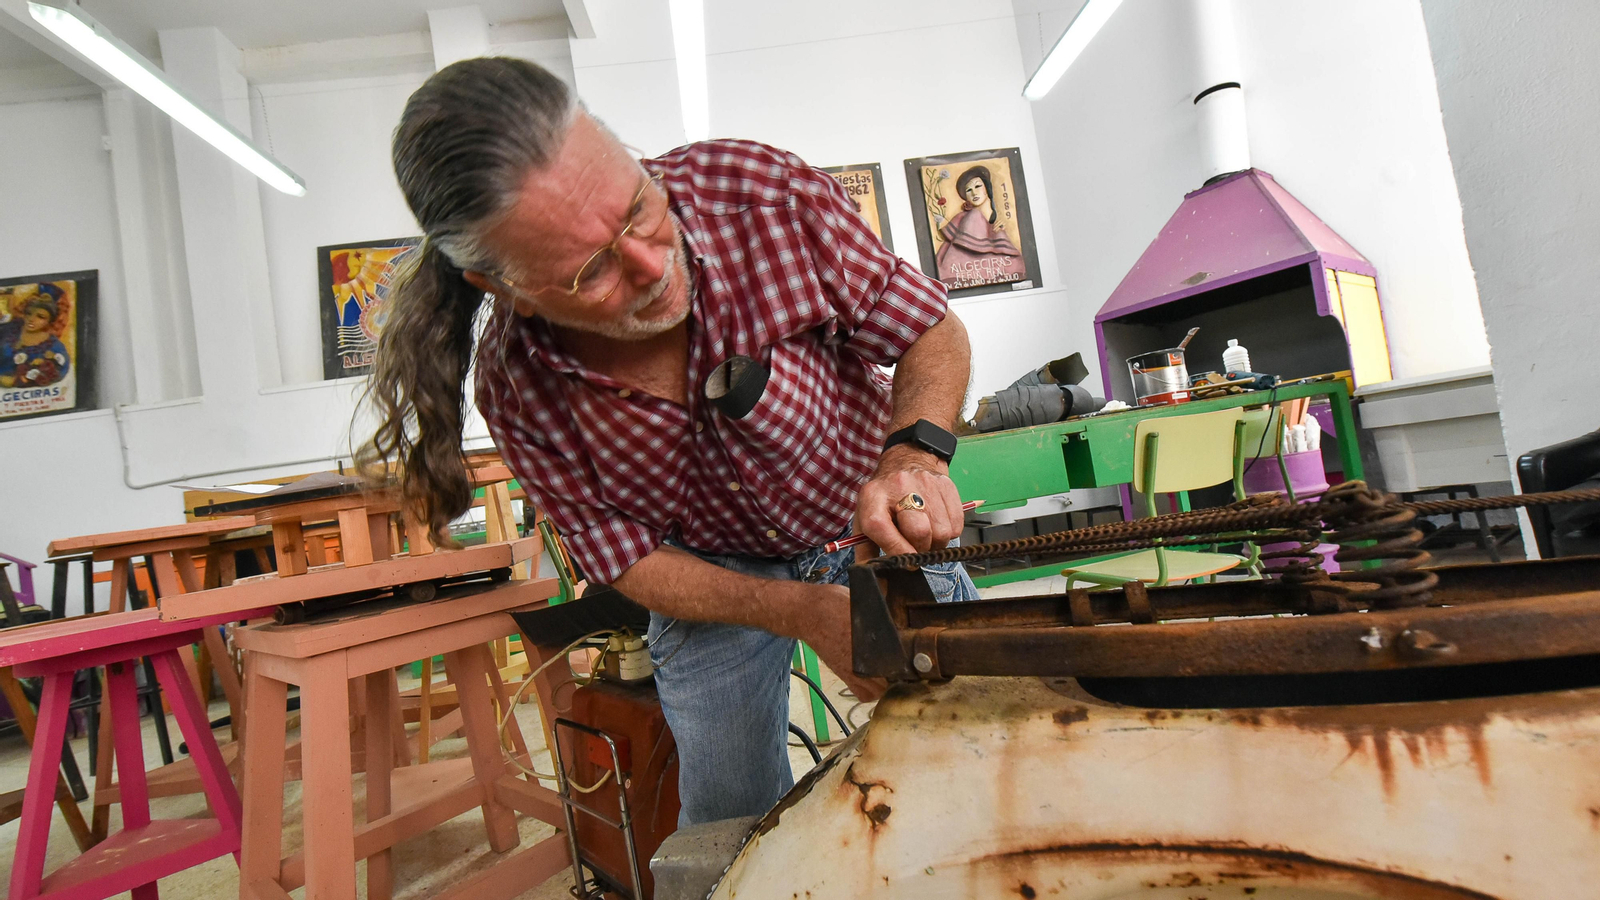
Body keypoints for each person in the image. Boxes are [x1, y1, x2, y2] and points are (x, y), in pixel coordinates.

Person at [360, 57, 978, 826]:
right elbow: (625, 559)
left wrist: (911, 459)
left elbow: (927, 327)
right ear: (502, 286)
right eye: (591, 272)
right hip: (711, 575)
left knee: (977, 750)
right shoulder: (519, 387)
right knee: (725, 821)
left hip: (876, 522)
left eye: (638, 210)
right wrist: (800, 609)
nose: (653, 268)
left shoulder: (759, 193)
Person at [934, 165, 1027, 289]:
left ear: (987, 189)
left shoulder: (997, 224)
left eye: (977, 186)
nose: (974, 193)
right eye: (968, 190)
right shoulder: (969, 218)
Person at [0, 286, 71, 388]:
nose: (32, 319)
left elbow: (60, 371)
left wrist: (17, 381)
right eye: (29, 313)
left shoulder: (54, 346)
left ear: (50, 321)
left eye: (40, 317)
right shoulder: (11, 329)